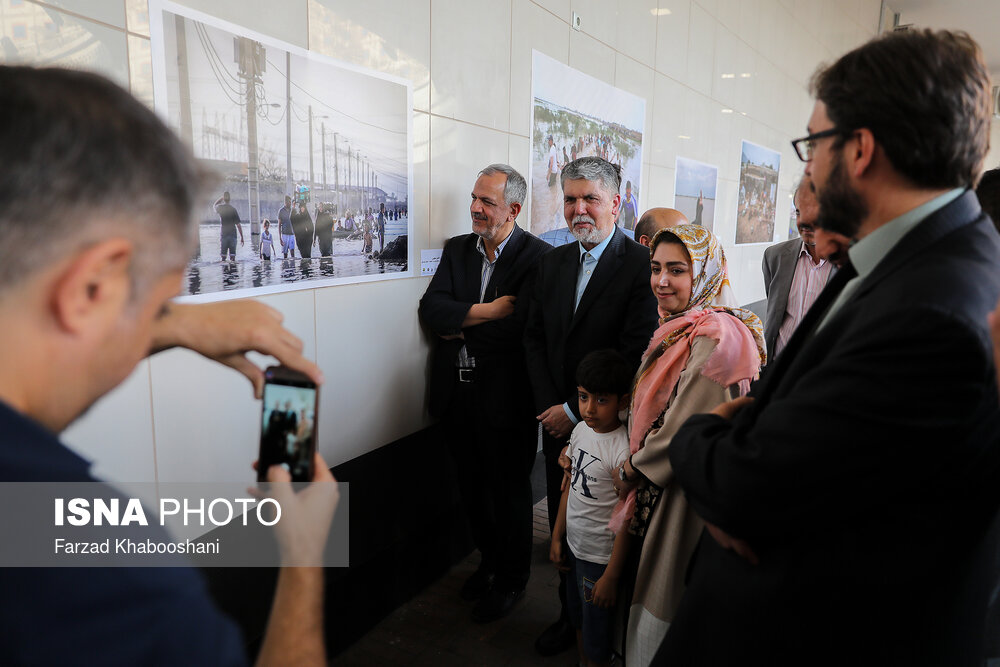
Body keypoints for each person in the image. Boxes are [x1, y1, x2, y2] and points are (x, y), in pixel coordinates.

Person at [656, 30, 1000, 665]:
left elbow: (745, 493)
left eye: (814, 145)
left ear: (861, 150)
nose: (809, 166)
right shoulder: (911, 260)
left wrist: (699, 432)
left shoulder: (930, 311)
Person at [0, 65, 339, 665]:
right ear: (92, 287)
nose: (159, 321)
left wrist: (171, 324)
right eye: (159, 301)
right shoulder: (114, 580)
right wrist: (305, 556)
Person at [604, 224, 764, 665]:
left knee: (665, 595)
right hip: (661, 482)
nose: (661, 281)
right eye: (655, 268)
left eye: (677, 270)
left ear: (706, 273)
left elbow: (687, 425)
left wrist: (632, 468)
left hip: (678, 492)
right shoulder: (682, 327)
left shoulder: (717, 337)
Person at [524, 156, 658, 656]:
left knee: (604, 528)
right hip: (555, 422)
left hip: (606, 430)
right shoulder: (552, 262)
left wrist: (579, 410)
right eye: (571, 199)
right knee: (567, 522)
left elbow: (635, 350)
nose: (579, 209)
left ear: (616, 204)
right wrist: (551, 408)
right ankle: (567, 616)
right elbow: (533, 338)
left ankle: (606, 630)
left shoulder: (640, 266)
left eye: (591, 199)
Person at [419, 164, 551, 623]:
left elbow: (520, 331)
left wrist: (461, 326)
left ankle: (513, 578)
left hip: (506, 400)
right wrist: (486, 311)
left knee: (509, 494)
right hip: (457, 395)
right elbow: (430, 309)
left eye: (487, 202)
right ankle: (489, 562)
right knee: (472, 490)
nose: (475, 208)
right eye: (474, 198)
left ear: (513, 209)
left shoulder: (537, 258)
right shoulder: (458, 249)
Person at [550, 350, 633, 667]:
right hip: (574, 547)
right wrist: (558, 536)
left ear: (622, 402)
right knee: (579, 620)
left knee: (599, 632)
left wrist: (612, 574)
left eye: (601, 400)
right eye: (583, 397)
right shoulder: (580, 431)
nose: (589, 408)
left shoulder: (622, 449)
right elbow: (568, 489)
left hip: (600, 560)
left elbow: (626, 519)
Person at [761, 176, 837, 359]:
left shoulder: (850, 263)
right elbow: (775, 311)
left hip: (821, 374)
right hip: (777, 369)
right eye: (798, 212)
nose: (803, 222)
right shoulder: (775, 256)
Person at [214, 191, 244, 261]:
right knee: (232, 258)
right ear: (230, 199)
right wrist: (242, 237)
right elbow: (238, 225)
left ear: (224, 199)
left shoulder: (220, 208)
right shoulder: (233, 210)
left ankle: (224, 271)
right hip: (233, 235)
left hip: (224, 235)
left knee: (223, 258)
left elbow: (214, 206)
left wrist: (220, 199)